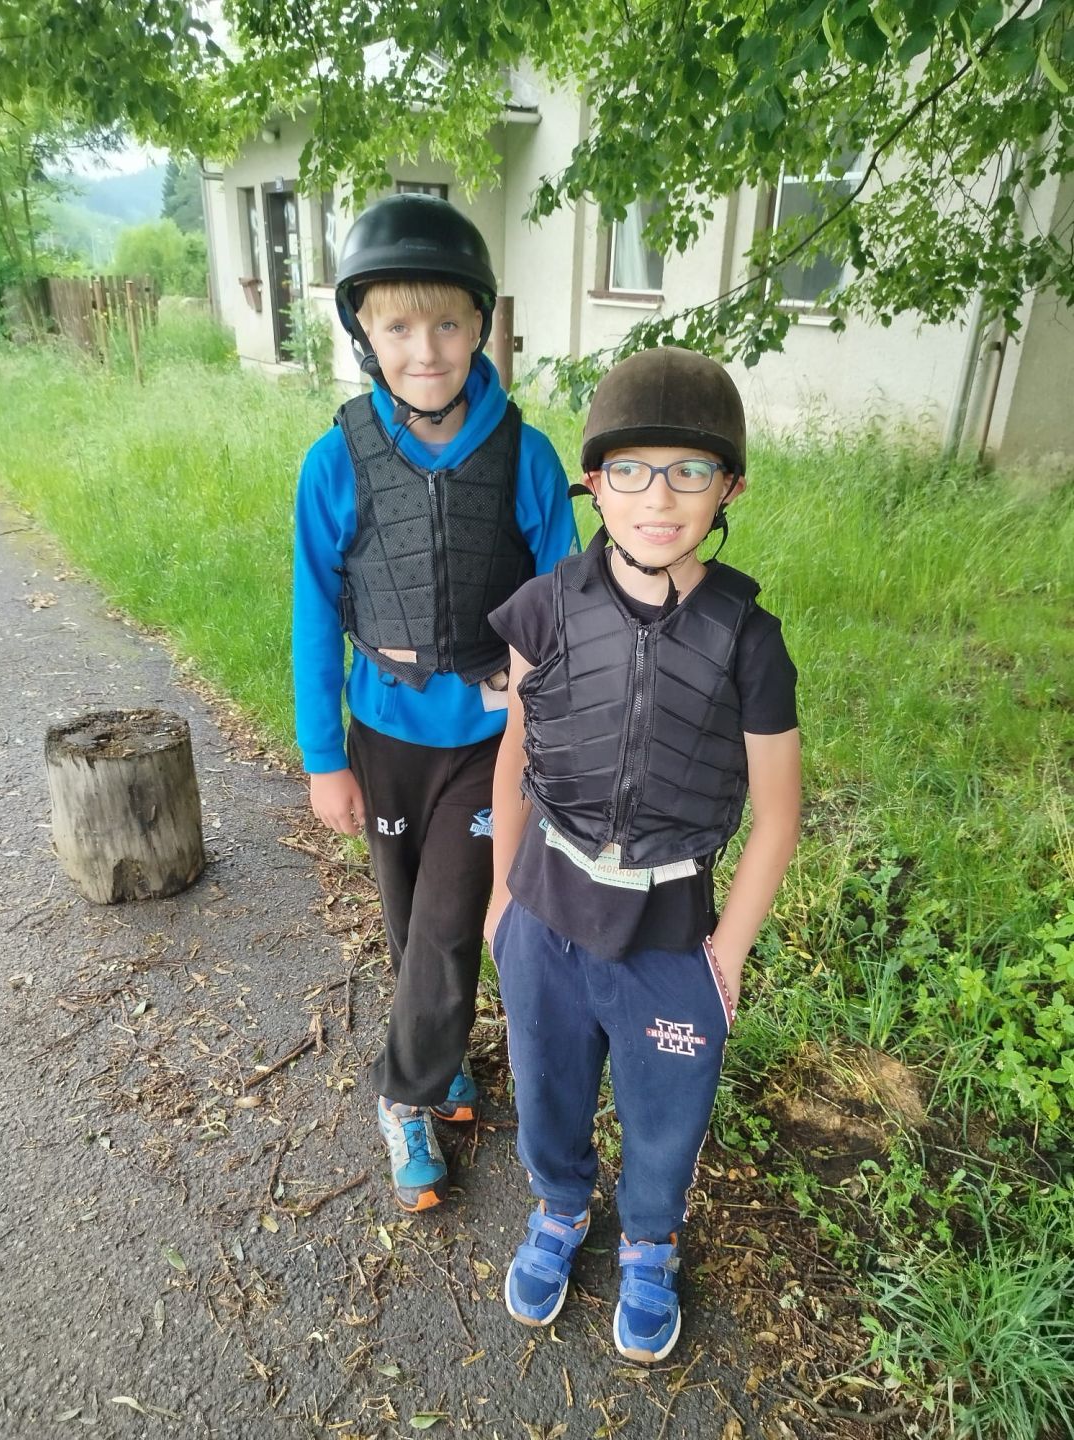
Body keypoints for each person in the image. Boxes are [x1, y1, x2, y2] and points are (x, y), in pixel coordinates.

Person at [485, 346, 801, 1362]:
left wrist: (729, 954)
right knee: (546, 1082)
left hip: (670, 928)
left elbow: (779, 813)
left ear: (729, 488)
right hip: (546, 905)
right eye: (629, 470)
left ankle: (650, 1240)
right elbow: (516, 755)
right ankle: (560, 1209)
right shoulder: (546, 606)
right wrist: (500, 900)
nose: (657, 498)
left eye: (688, 472)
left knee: (668, 1109)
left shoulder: (748, 639)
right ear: (595, 481)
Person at [292, 193, 577, 1214]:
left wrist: (559, 738)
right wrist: (324, 757)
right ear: (365, 335)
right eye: (399, 326)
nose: (426, 349)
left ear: (481, 325)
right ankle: (441, 1054)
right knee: (410, 920)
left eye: (448, 323)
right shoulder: (336, 461)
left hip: (491, 739)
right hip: (382, 736)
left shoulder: (528, 457)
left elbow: (566, 605)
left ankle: (404, 1094)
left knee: (453, 922)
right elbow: (314, 612)